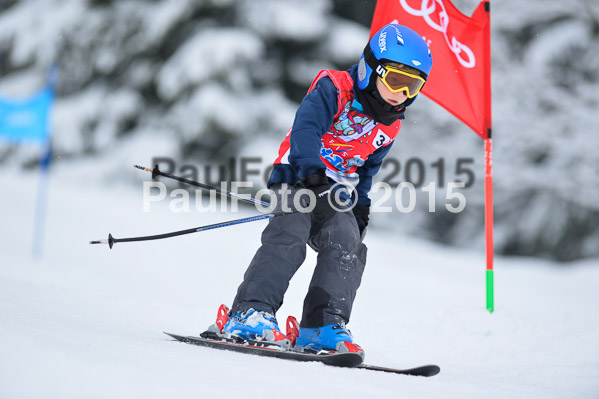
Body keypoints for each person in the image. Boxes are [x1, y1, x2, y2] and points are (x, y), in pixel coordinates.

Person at [211, 24, 433, 355]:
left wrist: (360, 205)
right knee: (291, 233)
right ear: (370, 69)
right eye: (395, 80)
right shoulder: (334, 89)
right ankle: (249, 311)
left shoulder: (390, 122)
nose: (400, 93)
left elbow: (368, 168)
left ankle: (320, 326)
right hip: (298, 176)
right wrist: (312, 175)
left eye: (412, 85)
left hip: (336, 193)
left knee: (349, 245)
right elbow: (305, 131)